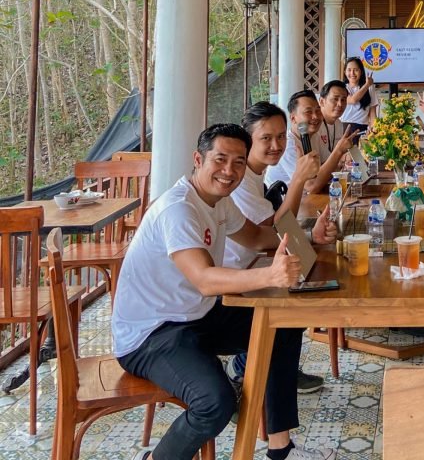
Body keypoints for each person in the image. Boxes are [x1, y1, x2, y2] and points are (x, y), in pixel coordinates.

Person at [112, 124, 337, 460]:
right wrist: (270, 275)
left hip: (197, 316)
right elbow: (204, 279)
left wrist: (309, 240)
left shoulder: (220, 202)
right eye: (220, 160)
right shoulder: (179, 208)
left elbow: (259, 238)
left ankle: (281, 448)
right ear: (198, 159)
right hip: (152, 334)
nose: (228, 171)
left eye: (238, 162)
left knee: (282, 325)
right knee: (214, 402)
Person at [223, 102, 334, 396]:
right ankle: (252, 371)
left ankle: (271, 368)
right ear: (247, 140)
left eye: (282, 136)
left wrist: (309, 235)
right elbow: (272, 230)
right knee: (291, 305)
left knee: (304, 286)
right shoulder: (240, 179)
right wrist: (298, 178)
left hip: (256, 261)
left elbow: (277, 228)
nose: (276, 145)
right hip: (236, 274)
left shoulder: (256, 173)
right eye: (266, 138)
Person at [265, 90, 354, 194]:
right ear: (293, 119)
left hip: (308, 200)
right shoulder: (288, 145)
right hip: (284, 204)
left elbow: (325, 164)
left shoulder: (315, 136)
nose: (315, 117)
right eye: (308, 112)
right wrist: (338, 151)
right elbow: (311, 186)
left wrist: (341, 161)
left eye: (318, 111)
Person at [340, 56, 378, 139]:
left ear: (361, 72)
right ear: (345, 72)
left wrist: (374, 129)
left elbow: (372, 113)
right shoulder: (342, 88)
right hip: (343, 128)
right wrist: (367, 85)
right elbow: (353, 100)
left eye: (356, 70)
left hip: (362, 129)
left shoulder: (370, 88)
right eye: (349, 70)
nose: (352, 73)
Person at [317, 80, 349, 162]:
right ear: (322, 102)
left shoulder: (338, 124)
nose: (340, 104)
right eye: (335, 99)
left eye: (343, 100)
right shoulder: (314, 125)